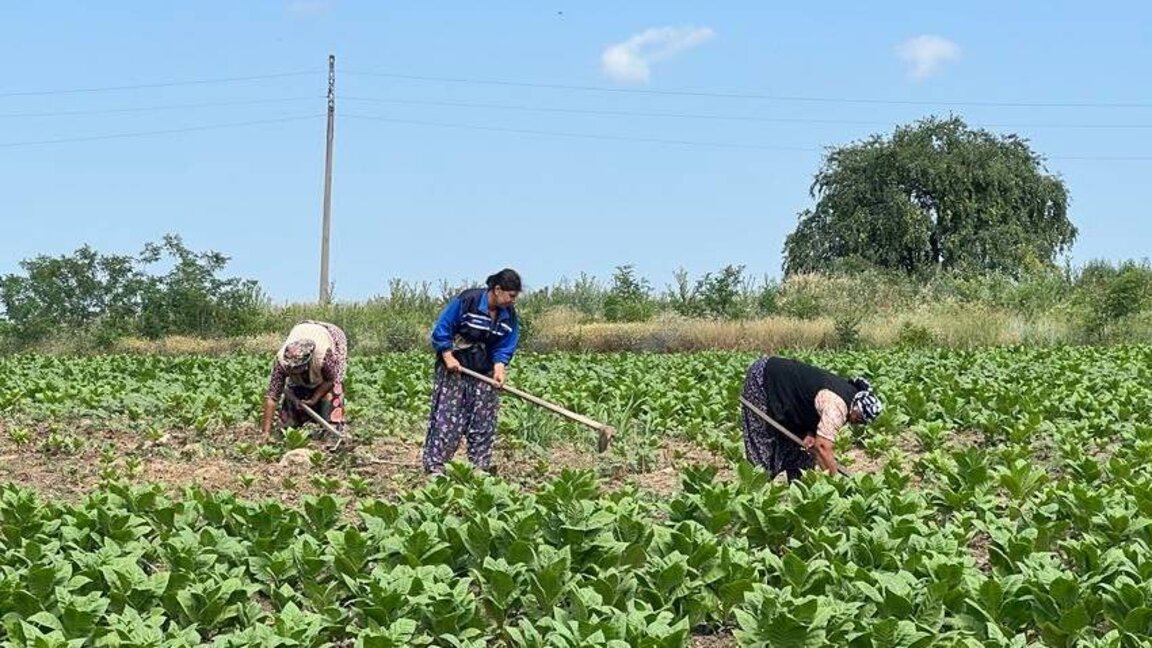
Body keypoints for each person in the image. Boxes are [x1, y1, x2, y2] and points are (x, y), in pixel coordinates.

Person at [422, 268, 522, 474]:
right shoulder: (468, 301)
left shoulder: (508, 315)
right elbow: (443, 328)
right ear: (497, 290)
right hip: (456, 369)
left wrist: (499, 369)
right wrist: (448, 357)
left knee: (483, 421)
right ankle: (436, 467)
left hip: (483, 370)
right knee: (449, 419)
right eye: (511, 296)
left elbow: (505, 344)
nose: (512, 300)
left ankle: (479, 468)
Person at [739, 355, 882, 480]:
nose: (858, 424)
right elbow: (823, 447)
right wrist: (836, 481)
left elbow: (811, 400)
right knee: (762, 447)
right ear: (857, 409)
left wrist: (810, 433)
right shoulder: (838, 407)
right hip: (764, 380)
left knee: (804, 454)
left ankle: (800, 496)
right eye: (860, 419)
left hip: (789, 399)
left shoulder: (851, 396)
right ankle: (756, 494)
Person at [261, 320, 348, 440]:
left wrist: (315, 398)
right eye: (291, 369)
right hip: (302, 329)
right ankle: (291, 426)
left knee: (335, 384)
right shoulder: (281, 363)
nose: (293, 371)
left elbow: (330, 380)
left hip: (331, 334)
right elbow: (272, 397)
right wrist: (265, 432)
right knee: (294, 386)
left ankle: (332, 428)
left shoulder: (323, 357)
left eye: (297, 368)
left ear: (307, 364)